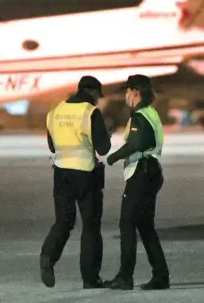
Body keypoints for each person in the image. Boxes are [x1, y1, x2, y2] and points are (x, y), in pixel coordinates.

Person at [40, 75, 112, 289]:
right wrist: (105, 132)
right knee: (90, 226)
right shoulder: (90, 113)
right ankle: (90, 279)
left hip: (61, 173)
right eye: (98, 96)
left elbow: (53, 147)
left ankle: (47, 257)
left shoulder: (55, 112)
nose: (98, 100)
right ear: (92, 92)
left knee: (64, 221)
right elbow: (103, 149)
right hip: (85, 174)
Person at [104, 74, 170, 291]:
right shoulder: (151, 113)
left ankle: (125, 277)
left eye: (128, 91)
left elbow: (141, 141)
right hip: (151, 172)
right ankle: (160, 276)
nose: (126, 95)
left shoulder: (140, 115)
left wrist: (114, 156)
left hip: (141, 174)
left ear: (136, 92)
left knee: (127, 224)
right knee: (145, 226)